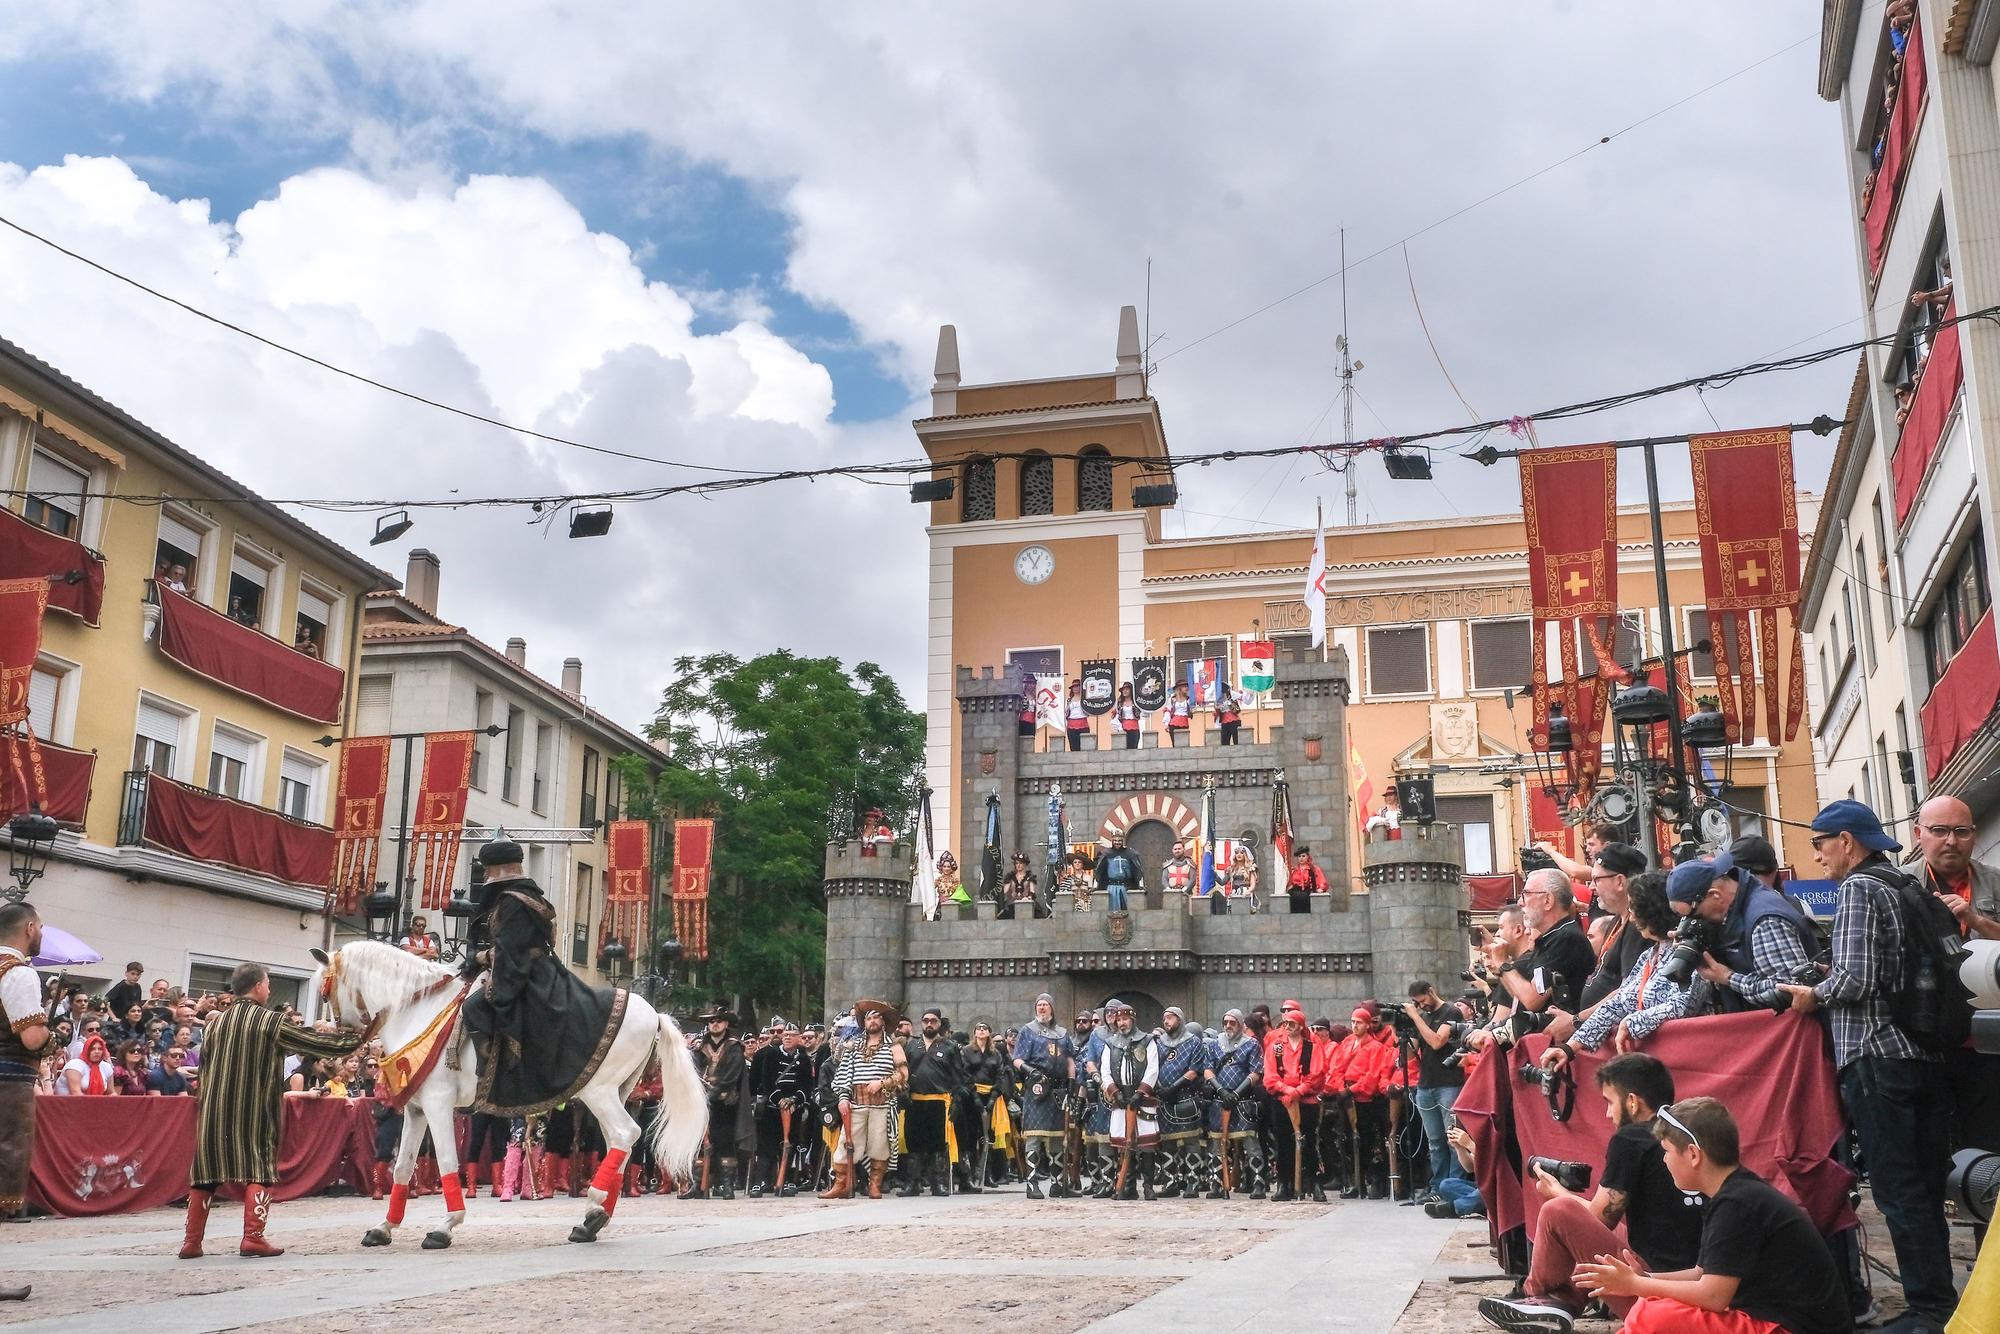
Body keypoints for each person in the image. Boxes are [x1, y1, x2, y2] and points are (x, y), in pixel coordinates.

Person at [1776, 800, 1958, 1328]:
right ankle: (1942, 1301)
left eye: (1821, 843)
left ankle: (1927, 1310)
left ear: (1847, 843)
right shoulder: (1906, 886)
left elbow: (1854, 980)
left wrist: (1812, 993)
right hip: (1924, 1052)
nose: (1819, 855)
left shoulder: (1858, 888)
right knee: (1925, 1188)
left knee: (1899, 1193)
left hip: (1876, 1057)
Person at [1572, 1097, 1853, 1334]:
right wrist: (1645, 1277)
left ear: (1693, 1155)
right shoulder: (1732, 1194)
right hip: (1777, 1320)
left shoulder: (1738, 1203)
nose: (1664, 1160)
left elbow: (1714, 1296)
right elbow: (1702, 1273)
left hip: (1794, 1328)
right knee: (1651, 1306)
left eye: (1667, 1151)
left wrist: (1636, 1284)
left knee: (1654, 1317)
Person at [1477, 1053, 1706, 1332]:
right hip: (1694, 1281)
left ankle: (1537, 1298)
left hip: (1653, 1290)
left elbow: (1599, 1218)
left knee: (1557, 1211)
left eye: (1610, 1102)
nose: (1608, 1114)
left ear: (1632, 1102)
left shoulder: (1632, 1138)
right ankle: (1561, 1303)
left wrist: (1558, 1191)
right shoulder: (1691, 1132)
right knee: (1615, 1227)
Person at [181, 963, 362, 1259]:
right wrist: (355, 1038)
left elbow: (205, 1067)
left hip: (214, 1110)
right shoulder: (270, 1022)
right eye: (267, 984)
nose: (269, 989)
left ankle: (191, 1242)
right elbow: (315, 1041)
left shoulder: (214, 1024)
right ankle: (253, 1237)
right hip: (254, 1108)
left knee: (206, 1173)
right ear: (257, 986)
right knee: (258, 1169)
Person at [458, 834, 625, 1119]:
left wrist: (481, 959)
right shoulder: (530, 897)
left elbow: (510, 951)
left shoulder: (512, 902)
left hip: (526, 974)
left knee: (474, 1007)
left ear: (496, 870)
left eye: (487, 869)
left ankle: (486, 1075)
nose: (485, 874)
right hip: (541, 968)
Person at [1910, 795, 2000, 1155]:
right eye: (1939, 831)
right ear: (1919, 834)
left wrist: (1976, 921)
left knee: (1987, 1137)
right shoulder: (1900, 885)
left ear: (1974, 836)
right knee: (1932, 1141)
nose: (1951, 840)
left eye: (1961, 831)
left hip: (1985, 1037)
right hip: (1922, 1034)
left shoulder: (1993, 882)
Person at [1543, 872, 1693, 1063]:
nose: (1631, 918)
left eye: (1634, 908)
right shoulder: (1650, 955)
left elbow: (1682, 1005)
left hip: (1684, 1056)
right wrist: (1570, 1047)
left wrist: (1631, 1022)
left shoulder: (1688, 951)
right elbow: (1620, 1003)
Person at [1691, 847, 1823, 1013]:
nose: (1695, 921)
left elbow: (1788, 988)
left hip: (1788, 1032)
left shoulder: (1764, 918)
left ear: (1715, 895)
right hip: (1768, 1031)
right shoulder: (1737, 913)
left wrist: (1729, 978)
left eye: (1695, 914)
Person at [0, 902, 54, 1300]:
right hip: (8, 1083)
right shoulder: (18, 974)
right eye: (41, 929)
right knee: (4, 1169)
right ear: (29, 927)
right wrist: (56, 1038)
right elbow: (32, 1039)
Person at [828, 999, 905, 1199]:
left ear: (883, 1022)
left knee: (879, 1146)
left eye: (876, 1017)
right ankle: (840, 1184)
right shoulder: (853, 1047)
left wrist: (883, 1083)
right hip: (857, 1103)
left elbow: (903, 1074)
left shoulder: (894, 1046)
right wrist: (843, 1098)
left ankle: (875, 1185)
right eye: (869, 1017)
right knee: (846, 1144)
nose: (872, 1021)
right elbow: (844, 1075)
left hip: (882, 1104)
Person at [1401, 980, 1469, 1198]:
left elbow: (1438, 1041)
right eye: (1417, 1004)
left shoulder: (1451, 1012)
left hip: (1448, 1083)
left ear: (1431, 992)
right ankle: (1438, 1187)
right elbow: (1410, 1055)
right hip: (1425, 1085)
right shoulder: (1423, 1017)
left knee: (1452, 1140)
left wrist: (1416, 1018)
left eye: (1423, 1002)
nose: (1422, 1007)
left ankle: (1454, 1186)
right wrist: (1403, 1029)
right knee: (1435, 1142)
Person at [1499, 867, 1595, 1017]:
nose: (1520, 903)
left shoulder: (1566, 939)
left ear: (1548, 901)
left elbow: (1531, 1000)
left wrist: (1502, 963)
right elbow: (1519, 996)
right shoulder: (1551, 937)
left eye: (1526, 894)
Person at [1575, 843, 1649, 1016]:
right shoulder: (1618, 919)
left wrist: (1577, 1020)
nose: (1591, 888)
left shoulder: (1637, 926)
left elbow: (1628, 991)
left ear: (1620, 881)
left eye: (1596, 880)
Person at [1264, 999, 1327, 1202]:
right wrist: (1285, 1090)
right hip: (1282, 1101)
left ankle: (1315, 1182)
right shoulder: (1276, 1047)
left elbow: (1317, 1074)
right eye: (1285, 1023)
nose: (1287, 1027)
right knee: (1283, 1142)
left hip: (1306, 1101)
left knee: (1310, 1141)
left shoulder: (1312, 1046)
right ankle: (1285, 1183)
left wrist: (1298, 1090)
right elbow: (1270, 1075)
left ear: (1301, 1026)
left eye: (1292, 1023)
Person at [1012, 994, 1074, 1199]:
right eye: (1039, 1005)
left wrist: (1072, 1085)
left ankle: (1057, 1184)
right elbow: (1017, 1059)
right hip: (1037, 1088)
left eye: (1045, 1005)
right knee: (1034, 1135)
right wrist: (1030, 1070)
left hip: (1059, 1090)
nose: (1042, 1009)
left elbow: (1070, 1061)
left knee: (1057, 1136)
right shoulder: (1028, 1031)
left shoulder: (1063, 1034)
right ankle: (1032, 1185)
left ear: (1052, 1008)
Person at [1096, 999, 1160, 1200]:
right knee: (1124, 1145)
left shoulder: (1147, 1041)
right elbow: (1105, 1071)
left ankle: (1148, 1187)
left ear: (1132, 1020)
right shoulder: (1110, 1043)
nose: (1121, 1023)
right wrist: (1115, 1093)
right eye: (1119, 1019)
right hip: (1121, 1101)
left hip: (1142, 1099)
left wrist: (1140, 1093)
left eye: (1125, 1019)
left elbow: (1152, 1069)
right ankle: (1128, 1186)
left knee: (1146, 1145)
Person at [901, 1007, 964, 1197]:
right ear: (921, 1023)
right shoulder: (911, 1046)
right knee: (913, 1143)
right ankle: (913, 1183)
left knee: (938, 1144)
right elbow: (902, 1073)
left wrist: (957, 1100)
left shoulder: (949, 1047)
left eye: (933, 1020)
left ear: (939, 1023)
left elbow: (958, 1077)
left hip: (939, 1101)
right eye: (926, 1020)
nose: (929, 1024)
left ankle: (938, 1183)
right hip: (915, 1101)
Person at [686, 1003, 746, 1199]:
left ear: (726, 1023)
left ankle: (726, 1186)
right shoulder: (700, 1046)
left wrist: (716, 1090)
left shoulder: (734, 1046)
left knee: (724, 1142)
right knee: (698, 1143)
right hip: (701, 1100)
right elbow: (693, 1071)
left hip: (724, 1101)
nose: (715, 1024)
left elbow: (733, 1074)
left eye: (718, 1021)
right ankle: (698, 1185)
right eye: (711, 1021)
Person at [1152, 1007, 1211, 1197]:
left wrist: (1174, 1087)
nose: (1166, 1021)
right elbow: (1154, 1066)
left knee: (1191, 1141)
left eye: (1170, 1018)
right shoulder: (1159, 1043)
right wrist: (1161, 1087)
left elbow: (1194, 1070)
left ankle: (1192, 1182)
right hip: (1164, 1099)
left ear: (1180, 1019)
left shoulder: (1193, 1042)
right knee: (1167, 1143)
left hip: (1186, 1096)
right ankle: (1171, 1183)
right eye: (1164, 1018)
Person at [1206, 1008, 1265, 1199]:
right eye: (1225, 1023)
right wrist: (1221, 1090)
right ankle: (1215, 1183)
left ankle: (1258, 1183)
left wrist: (1237, 1093)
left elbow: (1255, 1072)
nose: (1228, 1026)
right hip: (1220, 1100)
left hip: (1243, 1101)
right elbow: (1208, 1070)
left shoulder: (1251, 1045)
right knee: (1216, 1145)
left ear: (1240, 1024)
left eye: (1232, 1022)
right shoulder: (1215, 1045)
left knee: (1250, 1144)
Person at [748, 1020, 810, 1197]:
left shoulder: (803, 1058)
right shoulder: (771, 1055)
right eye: (786, 1035)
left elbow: (806, 1085)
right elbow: (766, 1081)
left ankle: (789, 1180)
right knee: (766, 1146)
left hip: (793, 1109)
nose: (788, 1038)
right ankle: (759, 1182)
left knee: (791, 1144)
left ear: (799, 1038)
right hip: (772, 1108)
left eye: (792, 1035)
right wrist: (779, 1099)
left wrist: (794, 1100)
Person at [958, 1021, 1013, 1189]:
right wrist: (974, 1096)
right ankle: (972, 1173)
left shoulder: (995, 1053)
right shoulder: (967, 1051)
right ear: (974, 1033)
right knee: (972, 1135)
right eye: (978, 1029)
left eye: (984, 1028)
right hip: (971, 1096)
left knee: (988, 1136)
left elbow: (1000, 1075)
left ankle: (986, 1174)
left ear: (989, 1033)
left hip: (990, 1095)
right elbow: (965, 1073)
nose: (981, 1031)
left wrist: (993, 1097)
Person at [1095, 832, 1142, 912]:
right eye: (1115, 840)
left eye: (1119, 840)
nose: (1117, 842)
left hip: (1126, 887)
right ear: (1112, 840)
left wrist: (1140, 884)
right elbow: (1099, 871)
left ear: (1123, 840)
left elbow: (1137, 870)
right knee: (1113, 912)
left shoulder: (1130, 853)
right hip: (1112, 887)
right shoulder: (1106, 854)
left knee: (1128, 911)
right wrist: (1096, 885)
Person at [1287, 845, 1328, 913]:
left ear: (1308, 857)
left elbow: (1321, 880)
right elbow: (1290, 883)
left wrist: (1321, 888)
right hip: (1296, 894)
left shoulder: (1314, 869)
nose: (1301, 858)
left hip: (1308, 892)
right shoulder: (1293, 870)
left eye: (1303, 856)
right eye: (1299, 856)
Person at [999, 853, 1039, 920]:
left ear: (1025, 864)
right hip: (1012, 904)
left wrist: (1028, 898)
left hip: (1026, 902)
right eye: (1017, 863)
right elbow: (1005, 891)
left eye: (1020, 863)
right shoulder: (1010, 876)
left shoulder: (1030, 876)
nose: (1018, 865)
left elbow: (1032, 891)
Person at [1162, 840, 1196, 908]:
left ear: (1184, 849)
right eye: (1175, 849)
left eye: (1179, 849)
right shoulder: (1168, 865)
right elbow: (1164, 879)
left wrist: (1184, 890)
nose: (1177, 851)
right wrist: (1169, 890)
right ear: (1172, 851)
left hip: (1186, 895)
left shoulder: (1190, 864)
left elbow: (1192, 880)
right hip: (1171, 895)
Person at [1227, 845, 1260, 914]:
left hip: (1246, 892)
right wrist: (1213, 874)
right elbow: (1222, 882)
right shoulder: (1232, 869)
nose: (1239, 855)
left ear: (1245, 855)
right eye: (1237, 853)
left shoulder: (1250, 868)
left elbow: (1253, 884)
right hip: (1234, 893)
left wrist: (1248, 891)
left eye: (1241, 853)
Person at [1213, 680, 1243, 745]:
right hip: (1224, 721)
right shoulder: (1217, 699)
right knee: (1224, 742)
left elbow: (1241, 697)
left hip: (1234, 720)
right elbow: (1218, 711)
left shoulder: (1230, 694)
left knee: (1237, 741)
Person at [1113, 682, 1142, 749]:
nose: (1125, 691)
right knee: (1122, 748)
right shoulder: (1119, 703)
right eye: (1124, 689)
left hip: (1134, 727)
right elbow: (1116, 715)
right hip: (1123, 727)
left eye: (1127, 689)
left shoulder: (1136, 702)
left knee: (1133, 747)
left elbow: (1142, 711)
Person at [1064, 679, 1089, 751]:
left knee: (1085, 747)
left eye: (1077, 686)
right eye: (1073, 686)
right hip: (1071, 725)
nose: (1075, 688)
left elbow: (1089, 711)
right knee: (1074, 747)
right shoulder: (1068, 700)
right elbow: (1066, 713)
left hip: (1083, 724)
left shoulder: (1085, 699)